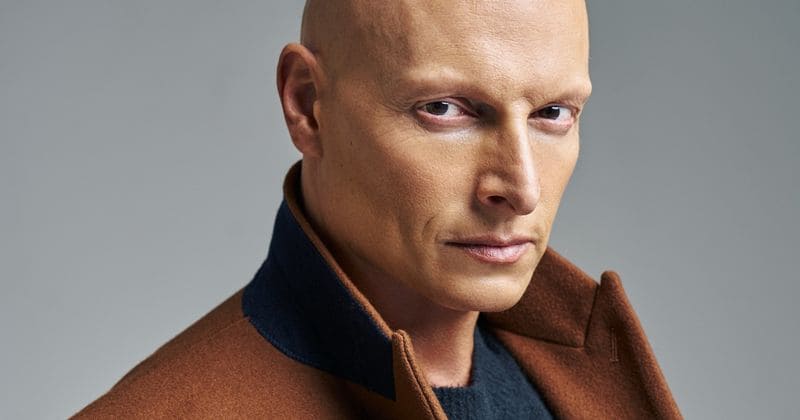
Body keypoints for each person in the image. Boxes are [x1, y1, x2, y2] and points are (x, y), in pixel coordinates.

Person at [74, 0, 681, 418]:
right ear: (308, 105)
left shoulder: (580, 383)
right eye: (444, 109)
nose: (522, 189)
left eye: (552, 113)